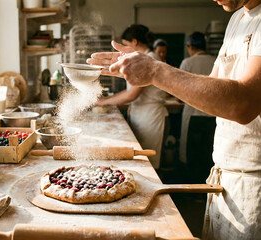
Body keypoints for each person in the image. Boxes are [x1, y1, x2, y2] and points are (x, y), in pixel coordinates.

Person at [87, 0, 261, 239]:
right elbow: (211, 95)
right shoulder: (237, 19)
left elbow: (243, 104)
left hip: (255, 181)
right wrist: (155, 69)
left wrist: (156, 71)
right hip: (227, 176)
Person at [94, 24, 168, 170]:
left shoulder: (149, 58)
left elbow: (132, 94)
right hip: (142, 113)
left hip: (149, 116)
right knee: (142, 160)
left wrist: (102, 102)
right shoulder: (145, 58)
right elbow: (131, 92)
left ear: (134, 42)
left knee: (148, 163)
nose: (122, 49)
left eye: (125, 44)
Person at [179, 32, 216, 183]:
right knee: (208, 153)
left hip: (194, 114)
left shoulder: (188, 63)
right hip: (213, 114)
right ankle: (206, 187)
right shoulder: (215, 60)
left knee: (192, 153)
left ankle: (192, 189)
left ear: (190, 47)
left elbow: (179, 91)